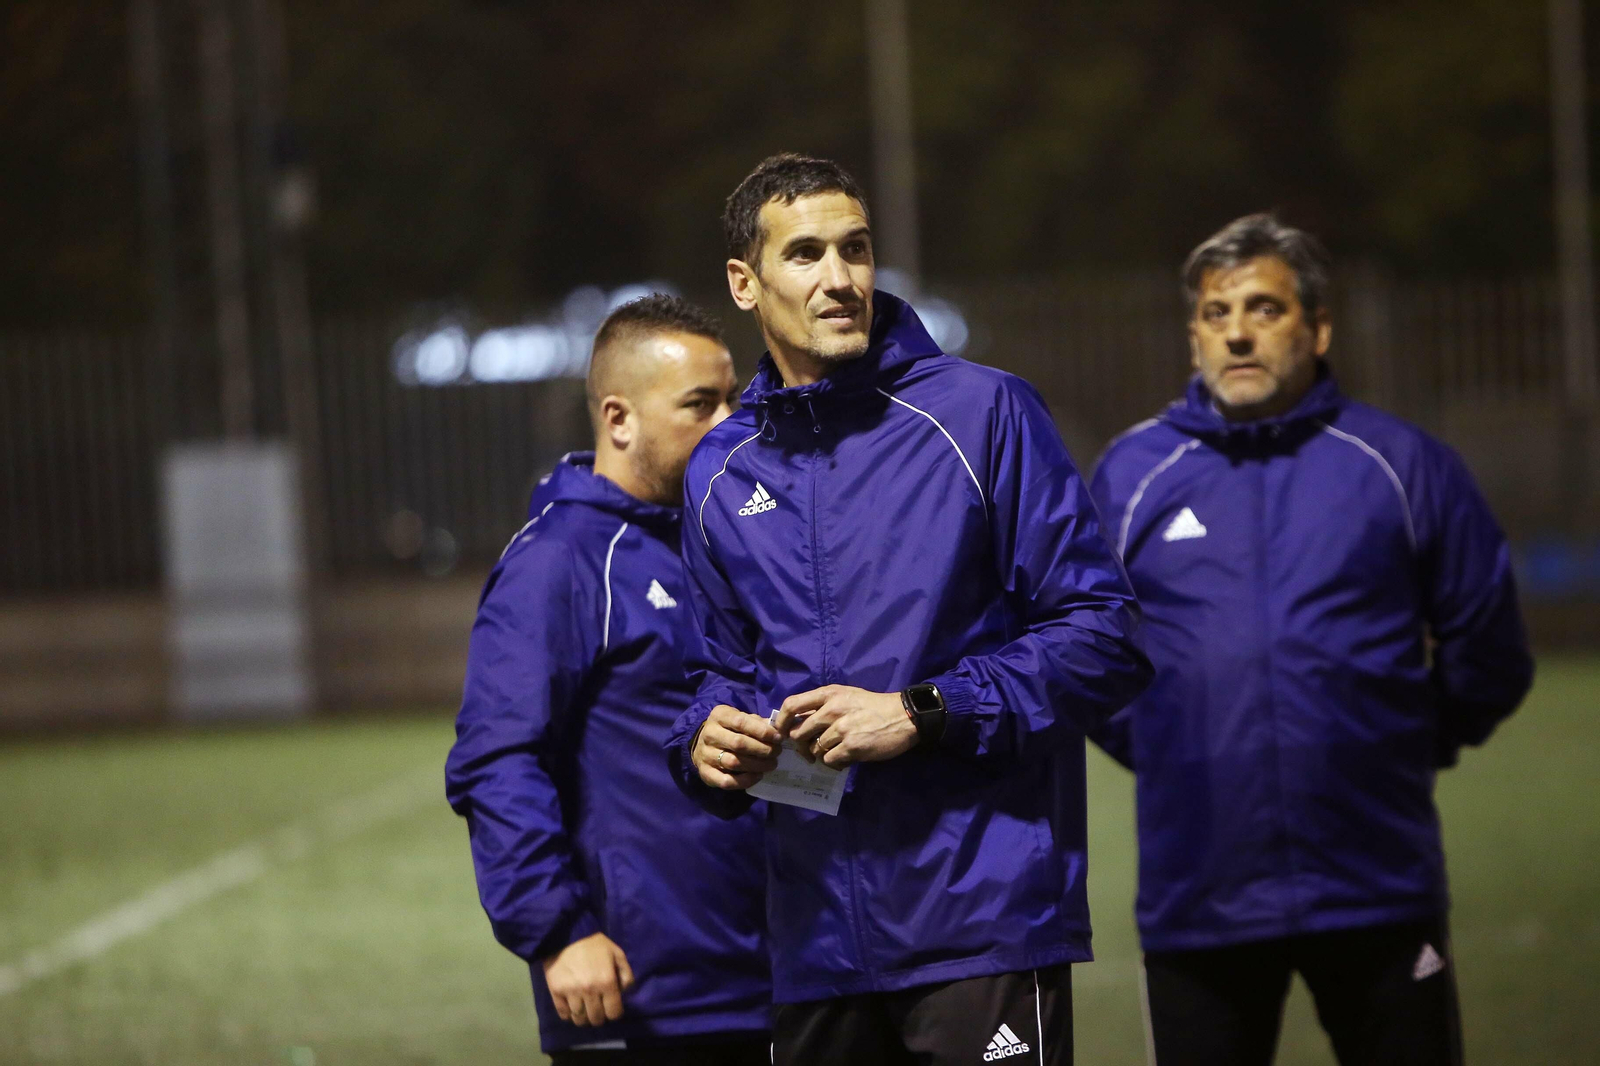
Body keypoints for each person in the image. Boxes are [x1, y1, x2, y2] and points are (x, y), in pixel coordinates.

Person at [663, 152, 1153, 1066]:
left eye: (855, 248)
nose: (840, 278)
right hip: (815, 945)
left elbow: (1104, 634)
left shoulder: (984, 414)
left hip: (982, 922)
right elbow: (714, 675)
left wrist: (921, 712)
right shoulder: (719, 472)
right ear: (745, 282)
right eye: (805, 255)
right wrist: (705, 743)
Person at [1090, 214, 1535, 1066]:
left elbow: (1490, 649)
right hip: (1201, 896)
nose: (1239, 332)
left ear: (1318, 328)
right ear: (1193, 340)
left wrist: (1408, 741)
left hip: (1377, 887)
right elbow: (1089, 655)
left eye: (1264, 308)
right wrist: (1170, 744)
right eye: (1217, 315)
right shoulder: (1130, 477)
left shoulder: (1403, 465)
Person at [445, 295, 771, 1065]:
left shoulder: (726, 548)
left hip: (770, 977)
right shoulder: (558, 561)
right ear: (619, 419)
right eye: (700, 404)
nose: (729, 423)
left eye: (734, 398)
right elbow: (498, 760)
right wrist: (559, 932)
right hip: (640, 991)